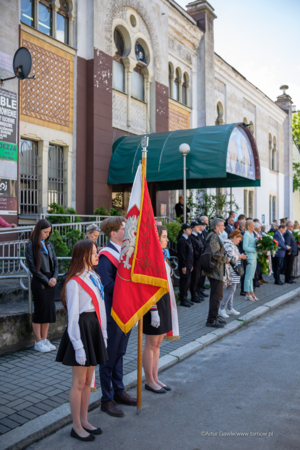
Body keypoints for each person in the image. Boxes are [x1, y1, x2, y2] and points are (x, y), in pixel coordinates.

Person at [56, 240, 107, 442]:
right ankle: (76, 426)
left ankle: (85, 420)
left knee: (88, 381)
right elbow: (73, 318)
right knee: (78, 382)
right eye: (94, 253)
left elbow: (100, 306)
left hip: (93, 327)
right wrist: (77, 345)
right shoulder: (74, 282)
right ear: (83, 255)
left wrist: (103, 334)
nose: (97, 256)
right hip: (81, 329)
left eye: (97, 252)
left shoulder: (93, 276)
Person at [97, 217, 137, 418]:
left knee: (119, 353)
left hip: (126, 311)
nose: (127, 231)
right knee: (108, 357)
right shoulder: (106, 256)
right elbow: (107, 287)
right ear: (113, 233)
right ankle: (106, 399)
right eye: (124, 228)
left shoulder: (124, 252)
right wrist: (129, 280)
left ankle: (119, 391)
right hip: (113, 314)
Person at [143, 226, 179, 393]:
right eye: (164, 237)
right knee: (151, 345)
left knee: (158, 344)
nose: (167, 240)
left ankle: (156, 377)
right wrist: (154, 310)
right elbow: (148, 286)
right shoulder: (150, 258)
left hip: (164, 301)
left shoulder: (162, 256)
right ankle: (149, 380)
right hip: (153, 305)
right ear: (156, 238)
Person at [25, 219, 58, 353]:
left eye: (49, 232)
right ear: (38, 230)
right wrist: (47, 280)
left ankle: (44, 339)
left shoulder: (48, 244)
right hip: (40, 283)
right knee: (40, 312)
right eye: (45, 232)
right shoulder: (30, 246)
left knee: (48, 311)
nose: (47, 234)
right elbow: (33, 268)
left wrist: (55, 277)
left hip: (50, 281)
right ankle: (38, 341)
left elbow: (55, 262)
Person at [203, 218, 230, 328]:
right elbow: (215, 253)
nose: (224, 227)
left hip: (217, 270)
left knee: (217, 295)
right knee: (216, 296)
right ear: (216, 226)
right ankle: (211, 320)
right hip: (215, 271)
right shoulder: (213, 236)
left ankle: (214, 316)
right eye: (222, 225)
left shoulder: (213, 235)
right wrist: (225, 259)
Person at [219, 230, 247, 318]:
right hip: (230, 270)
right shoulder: (228, 244)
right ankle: (221, 308)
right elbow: (231, 257)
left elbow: (235, 256)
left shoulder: (232, 245)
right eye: (238, 240)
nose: (239, 242)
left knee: (232, 289)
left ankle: (229, 308)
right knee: (231, 290)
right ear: (234, 237)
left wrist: (239, 256)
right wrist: (240, 257)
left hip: (233, 270)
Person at [177, 223, 193, 307]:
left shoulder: (188, 239)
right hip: (184, 265)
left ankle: (186, 298)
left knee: (188, 282)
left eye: (191, 229)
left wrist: (191, 264)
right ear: (184, 230)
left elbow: (190, 253)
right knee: (184, 282)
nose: (190, 230)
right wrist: (183, 266)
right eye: (189, 229)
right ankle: (182, 299)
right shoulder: (182, 240)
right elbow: (182, 254)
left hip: (189, 264)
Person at [243, 220, 258, 301]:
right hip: (249, 257)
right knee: (248, 276)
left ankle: (251, 292)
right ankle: (247, 293)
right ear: (248, 226)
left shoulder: (252, 234)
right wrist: (254, 249)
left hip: (254, 256)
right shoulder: (247, 234)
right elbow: (245, 247)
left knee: (251, 277)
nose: (254, 226)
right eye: (252, 225)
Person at [189, 221, 204, 303]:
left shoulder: (198, 236)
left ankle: (197, 293)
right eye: (198, 227)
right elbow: (193, 250)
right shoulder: (191, 237)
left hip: (199, 260)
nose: (199, 228)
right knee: (194, 279)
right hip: (195, 261)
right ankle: (193, 295)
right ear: (193, 228)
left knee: (198, 278)